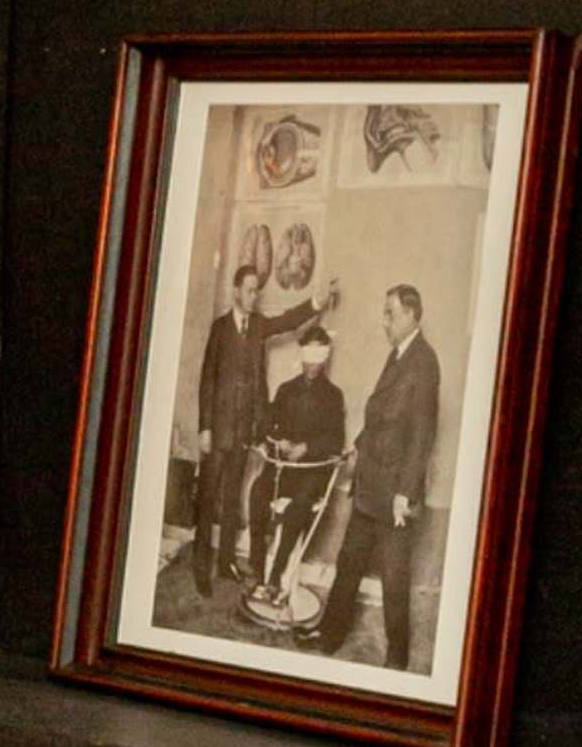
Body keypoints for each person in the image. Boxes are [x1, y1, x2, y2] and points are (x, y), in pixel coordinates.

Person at [308, 282, 447, 668]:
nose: (383, 320)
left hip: (395, 496)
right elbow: (380, 418)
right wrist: (357, 445)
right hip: (371, 485)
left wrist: (405, 493)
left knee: (394, 579)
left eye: (390, 313)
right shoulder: (398, 355)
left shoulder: (424, 362)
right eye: (385, 313)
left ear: (411, 315)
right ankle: (330, 634)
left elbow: (422, 433)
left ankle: (396, 659)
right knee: (349, 562)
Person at [246, 318, 346, 619]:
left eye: (318, 356)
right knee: (258, 492)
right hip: (284, 469)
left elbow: (335, 440)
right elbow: (269, 427)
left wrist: (307, 447)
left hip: (312, 474)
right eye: (308, 355)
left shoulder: (333, 396)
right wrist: (279, 440)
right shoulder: (286, 390)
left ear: (325, 357)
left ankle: (276, 576)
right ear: (301, 355)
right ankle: (257, 569)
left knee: (298, 506)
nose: (312, 363)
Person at [190, 254, 269, 606]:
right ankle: (200, 570)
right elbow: (207, 380)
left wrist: (314, 304)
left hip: (241, 436)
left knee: (232, 500)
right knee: (208, 501)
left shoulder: (257, 329)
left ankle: (225, 564)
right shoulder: (220, 329)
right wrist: (204, 427)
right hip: (217, 433)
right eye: (249, 290)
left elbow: (286, 321)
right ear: (236, 291)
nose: (254, 296)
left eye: (257, 291)